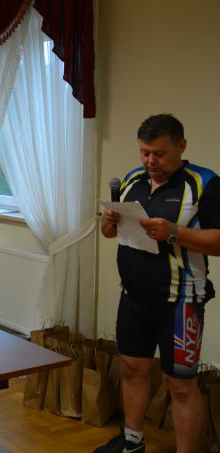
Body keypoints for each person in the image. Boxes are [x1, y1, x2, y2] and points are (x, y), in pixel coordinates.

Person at [97, 114, 219, 453]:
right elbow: (109, 233)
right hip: (133, 295)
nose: (150, 161)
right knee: (132, 368)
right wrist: (108, 221)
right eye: (145, 152)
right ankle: (133, 441)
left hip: (181, 300)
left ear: (181, 146)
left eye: (159, 154)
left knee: (180, 385)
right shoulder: (133, 179)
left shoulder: (204, 183)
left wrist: (174, 232)